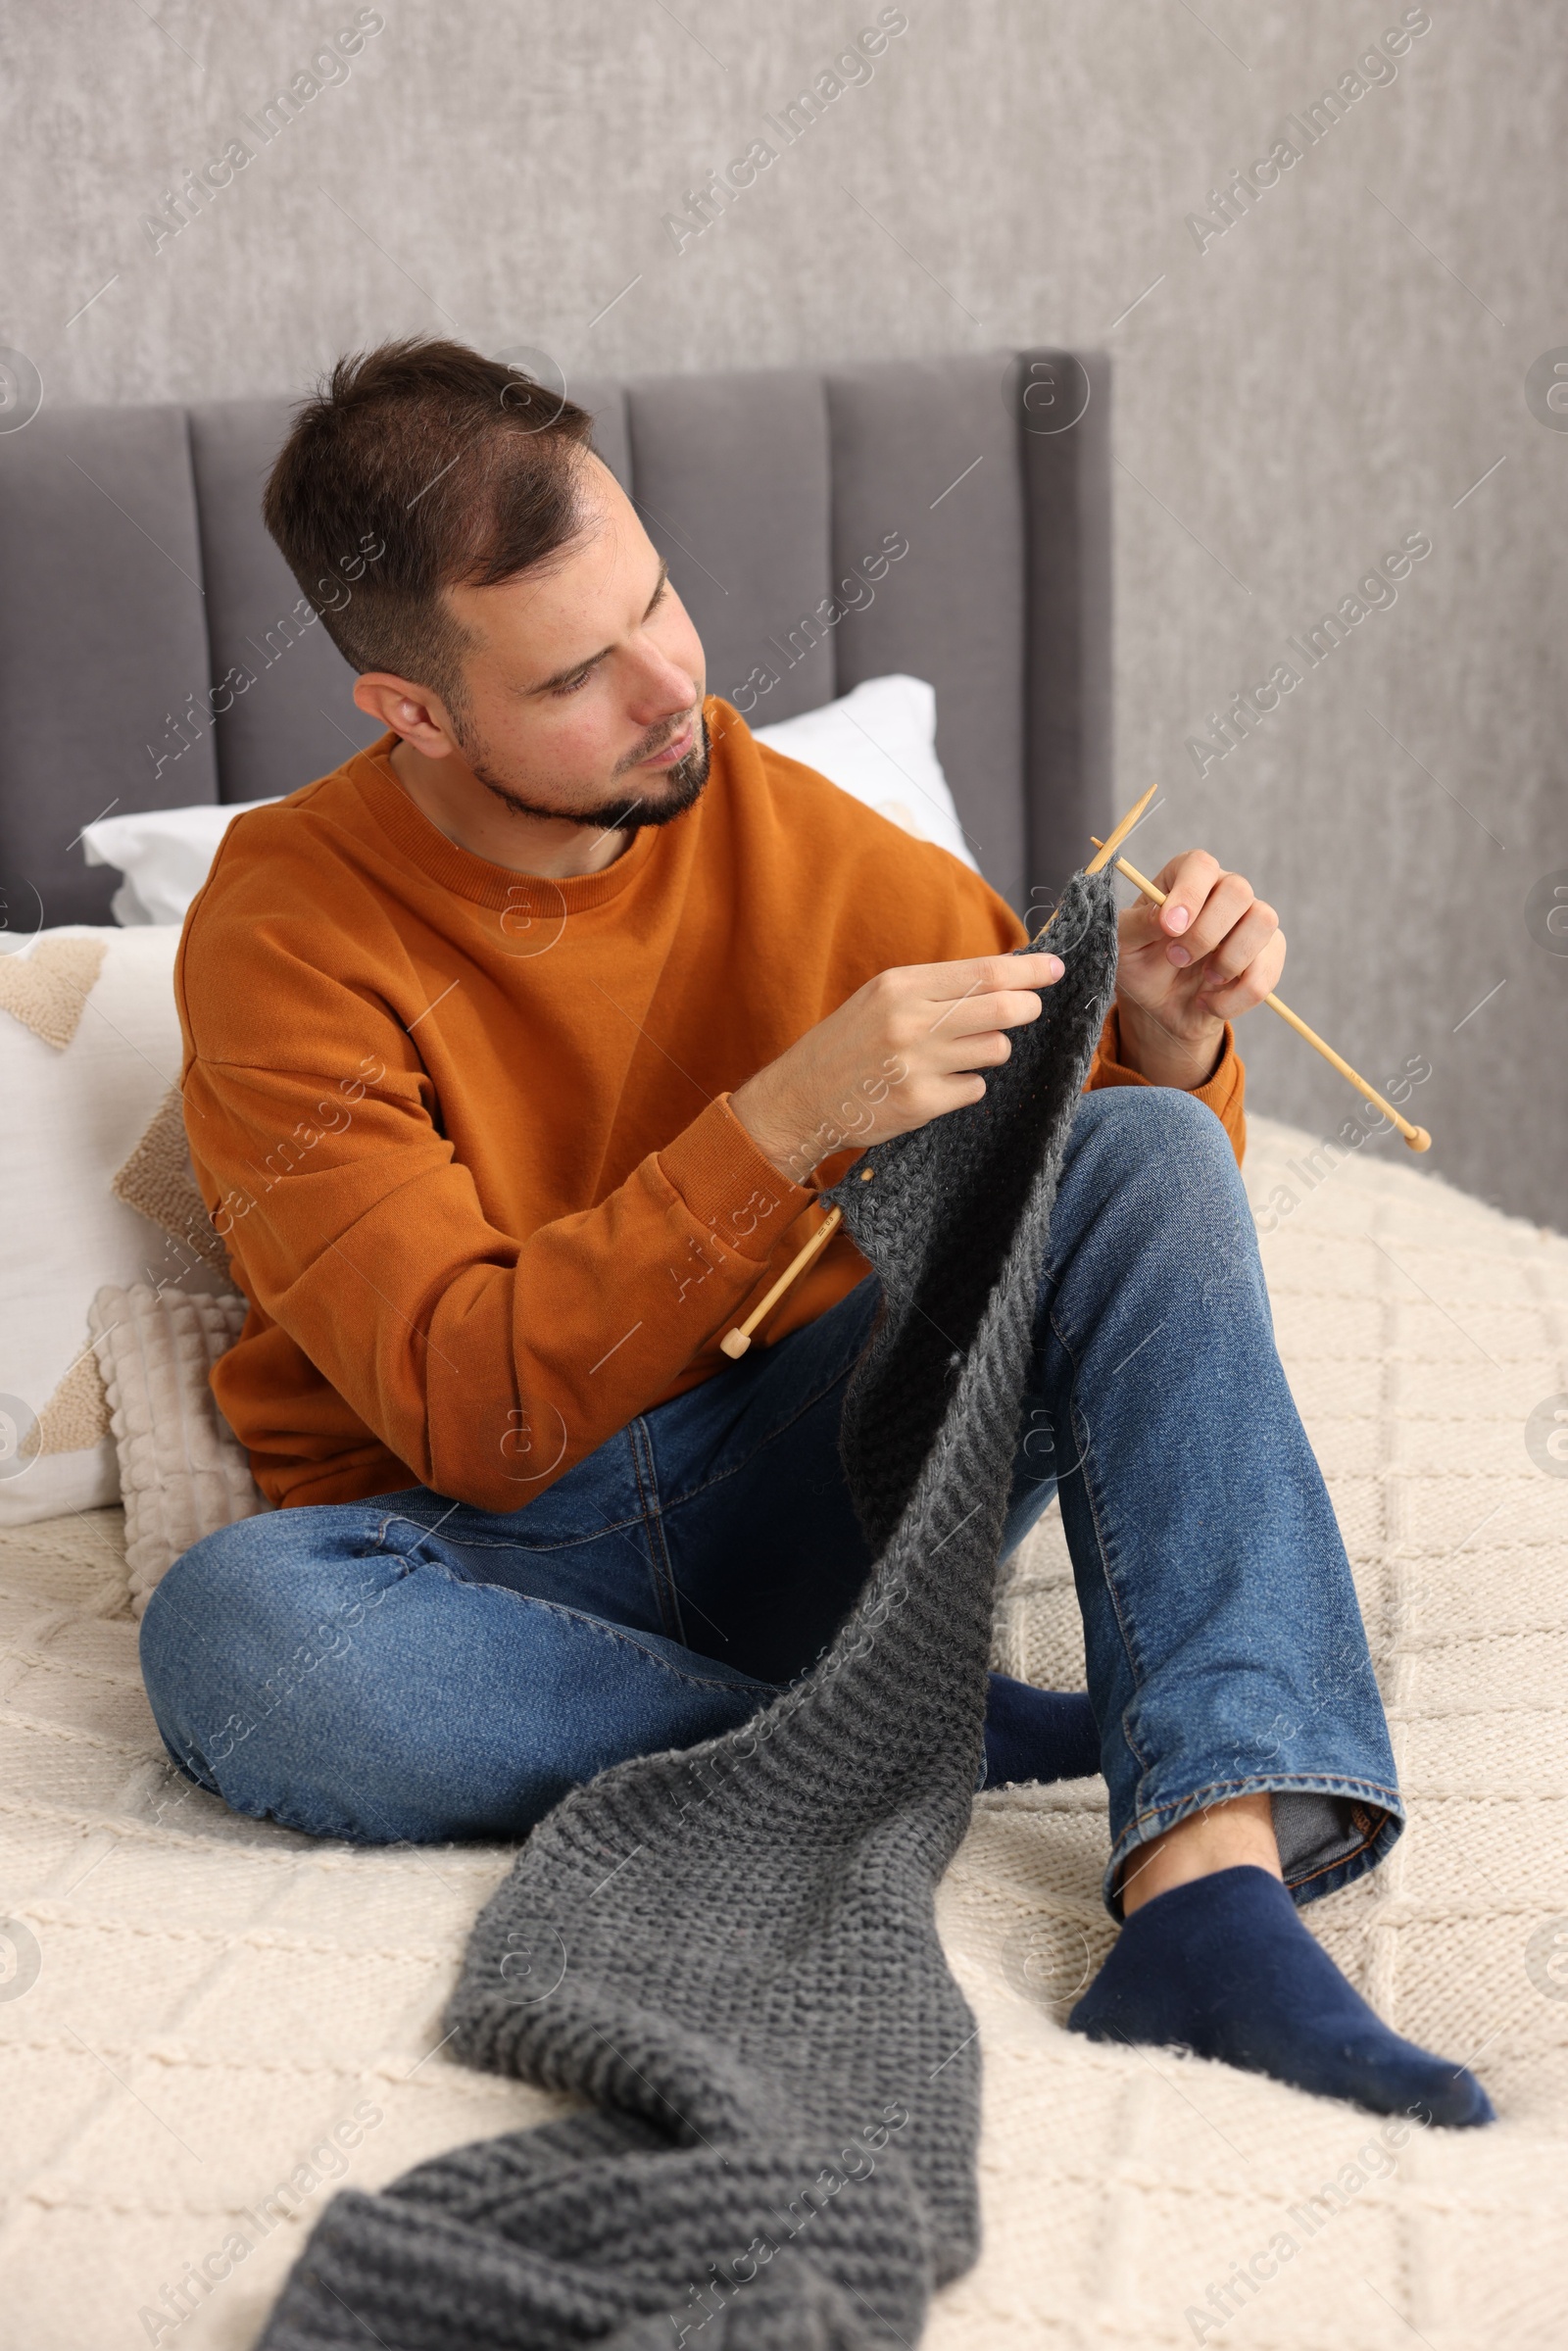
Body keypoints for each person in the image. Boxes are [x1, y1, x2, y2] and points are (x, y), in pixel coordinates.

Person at [142, 337, 1491, 2128]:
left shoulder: (789, 826)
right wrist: (790, 1117)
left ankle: (1208, 1881)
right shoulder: (281, 929)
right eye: (575, 676)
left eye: (661, 603)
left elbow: (1109, 1232)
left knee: (1148, 1143)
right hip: (495, 1554)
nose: (669, 690)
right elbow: (473, 1408)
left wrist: (1169, 1032)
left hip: (822, 1475)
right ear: (414, 713)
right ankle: (900, 1713)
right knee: (236, 1641)